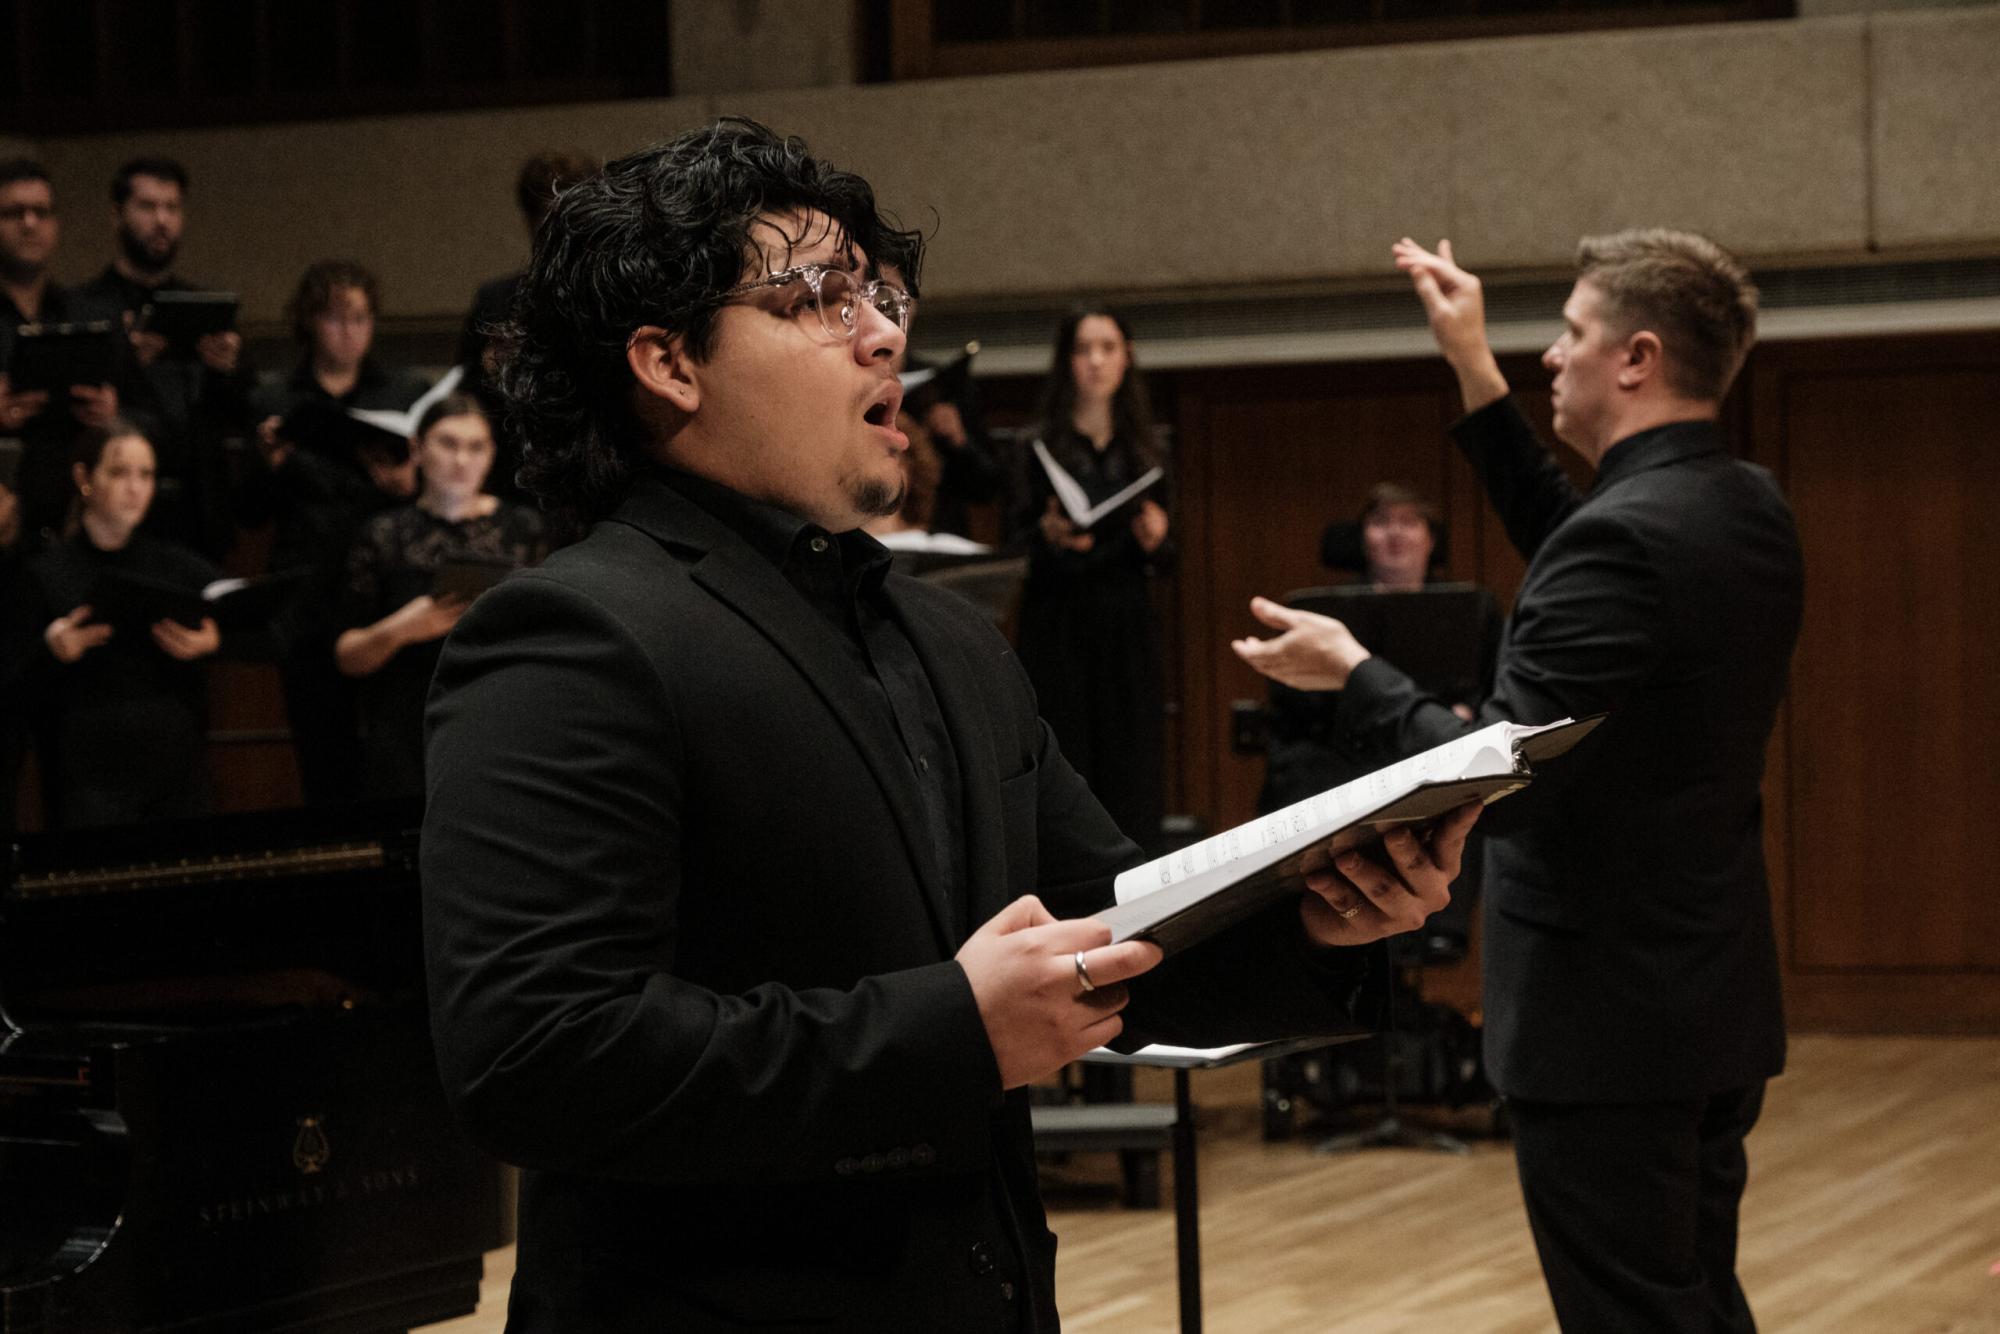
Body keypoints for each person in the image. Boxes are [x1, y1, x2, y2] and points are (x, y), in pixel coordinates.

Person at [420, 117, 1478, 1333]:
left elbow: (1108, 926)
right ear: (669, 361)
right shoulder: (572, 634)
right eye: (817, 297)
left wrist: (1322, 912)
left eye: (879, 294)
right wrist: (950, 1030)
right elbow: (536, 1054)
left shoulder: (951, 640)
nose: (885, 333)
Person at [1234, 230, 1803, 1332]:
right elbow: (1585, 538)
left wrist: (1352, 669)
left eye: (1571, 333)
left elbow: (1495, 768)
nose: (1552, 353)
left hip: (1604, 1021)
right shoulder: (1742, 506)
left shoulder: (1624, 541)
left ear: (1634, 358)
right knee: (1689, 1298)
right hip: (1707, 997)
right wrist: (1472, 365)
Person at [240, 259, 429, 806]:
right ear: (307, 322)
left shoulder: (402, 392)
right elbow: (248, 514)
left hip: (386, 588)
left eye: (361, 318)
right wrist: (272, 468)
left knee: (398, 749)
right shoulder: (275, 399)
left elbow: (428, 503)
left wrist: (403, 486)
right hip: (308, 592)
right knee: (323, 756)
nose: (348, 331)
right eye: (334, 318)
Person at [1007, 306, 1173, 855]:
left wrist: (1156, 539)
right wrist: (1049, 534)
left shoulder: (1148, 448)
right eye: (1083, 349)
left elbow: (1168, 560)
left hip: (1125, 623)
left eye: (1108, 347)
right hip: (1059, 621)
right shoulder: (1037, 446)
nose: (1096, 361)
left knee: (1131, 760)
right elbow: (1014, 546)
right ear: (1067, 362)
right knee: (1067, 756)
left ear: (1127, 358)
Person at [12, 423, 223, 828]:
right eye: (119, 472)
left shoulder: (178, 566)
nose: (135, 488)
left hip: (173, 766)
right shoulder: (46, 574)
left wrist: (212, 642)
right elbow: (14, 683)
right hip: (87, 774)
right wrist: (52, 653)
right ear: (84, 478)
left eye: (145, 475)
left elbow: (253, 619)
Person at [334, 393, 543, 798]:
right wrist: (405, 627)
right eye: (448, 443)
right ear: (417, 448)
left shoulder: (523, 528)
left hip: (500, 720)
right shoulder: (383, 533)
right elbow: (347, 656)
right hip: (406, 723)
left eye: (476, 446)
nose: (462, 460)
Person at [73, 156, 252, 558]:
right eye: (148, 206)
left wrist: (228, 368)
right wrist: (127, 360)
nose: (162, 220)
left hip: (199, 510)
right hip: (119, 511)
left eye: (171, 208)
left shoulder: (206, 308)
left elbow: (241, 409)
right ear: (118, 215)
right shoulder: (84, 308)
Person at [0, 159, 139, 551]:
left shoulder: (95, 314)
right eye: (13, 213)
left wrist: (114, 416)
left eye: (41, 212)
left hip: (79, 523)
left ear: (55, 224)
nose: (29, 224)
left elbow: (150, 414)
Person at [457, 149, 598, 506]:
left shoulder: (605, 294)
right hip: (512, 472)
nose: (556, 230)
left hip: (591, 469)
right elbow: (469, 394)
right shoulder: (496, 300)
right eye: (543, 217)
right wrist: (496, 370)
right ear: (529, 222)